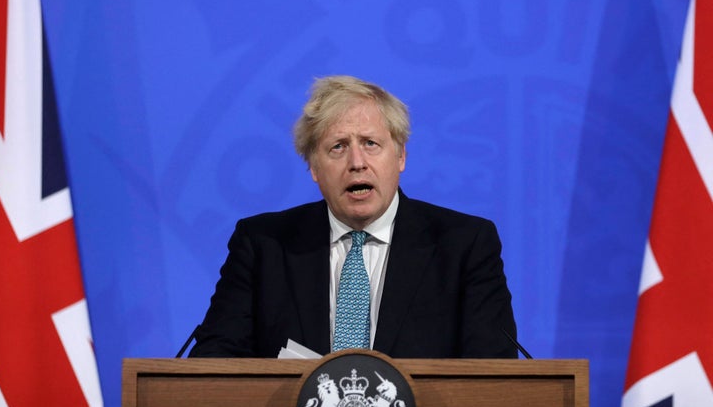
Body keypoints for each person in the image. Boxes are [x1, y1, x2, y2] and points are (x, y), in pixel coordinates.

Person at [189, 75, 518, 359]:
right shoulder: (263, 245)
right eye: (338, 147)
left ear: (401, 156)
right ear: (314, 168)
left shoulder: (463, 244)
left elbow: (492, 372)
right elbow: (213, 363)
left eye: (371, 143)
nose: (357, 162)